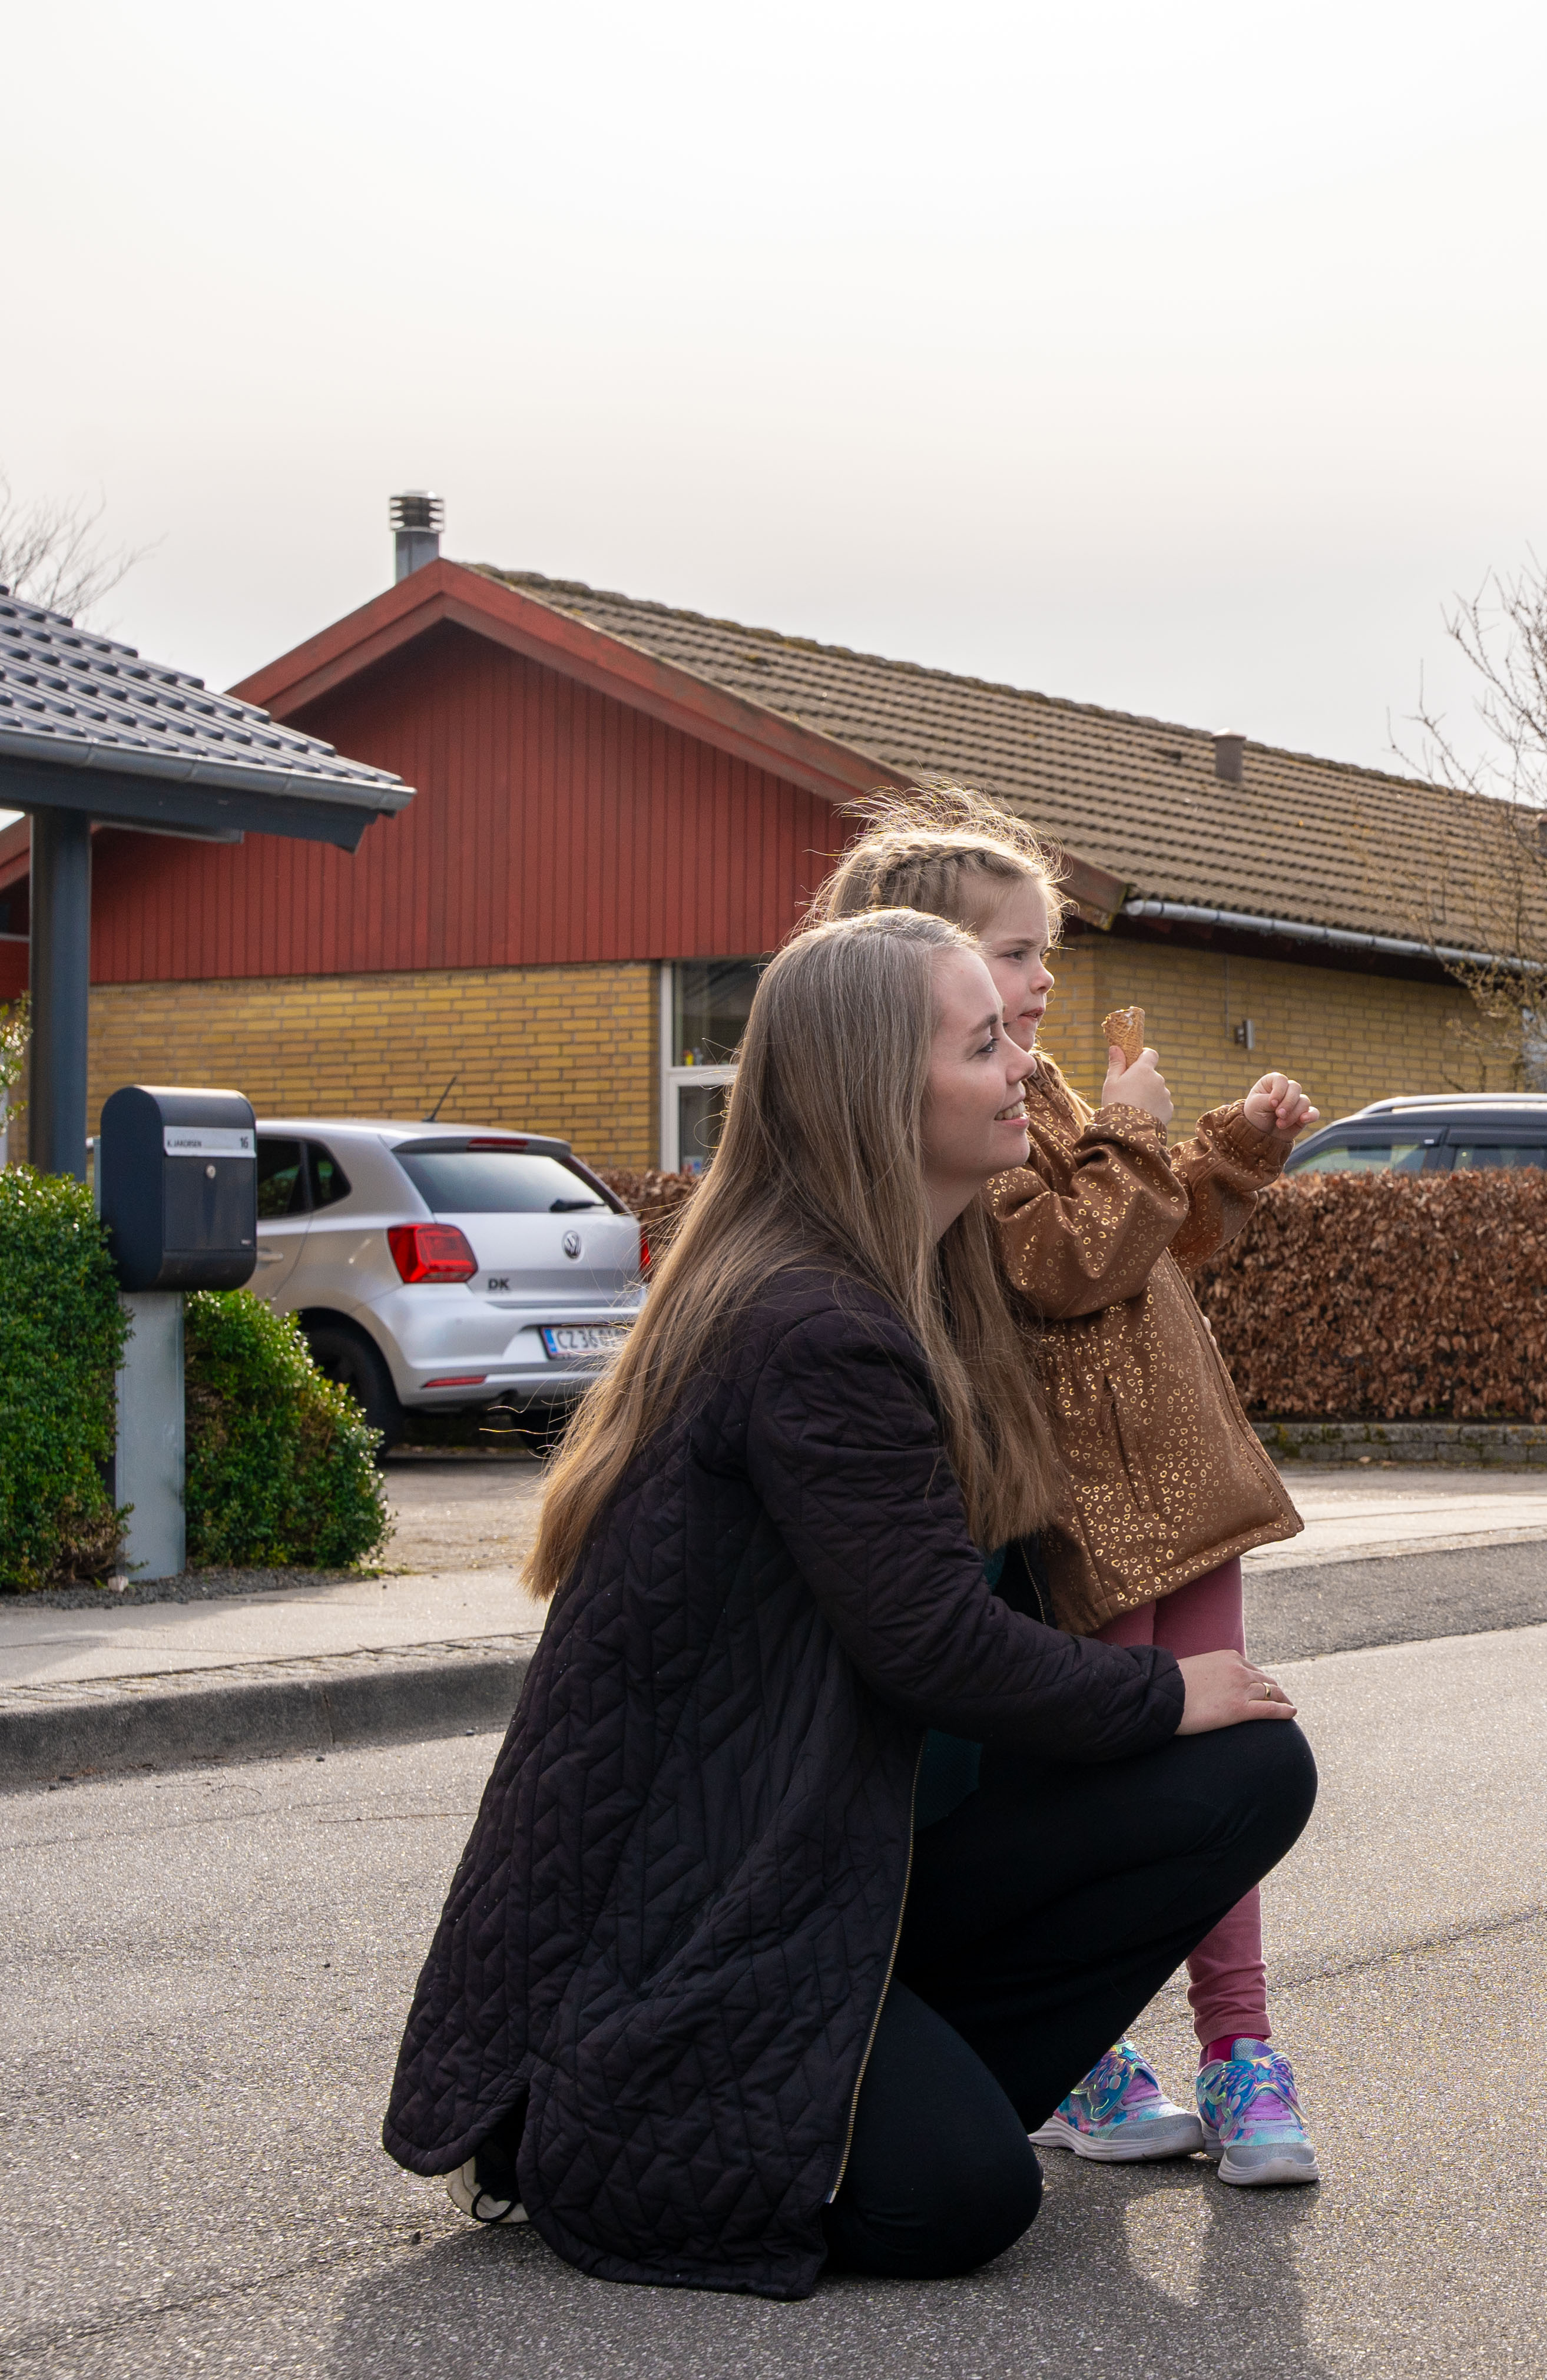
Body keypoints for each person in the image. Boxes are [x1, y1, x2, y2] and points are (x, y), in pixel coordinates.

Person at [383, 907, 1313, 2294]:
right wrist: (1169, 1687)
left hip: (831, 1869)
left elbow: (1114, 1276)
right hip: (687, 1931)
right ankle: (606, 2121)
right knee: (960, 2201)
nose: (1022, 1067)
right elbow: (932, 1646)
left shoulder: (918, 1284)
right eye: (984, 1042)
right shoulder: (813, 1323)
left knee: (1251, 1771)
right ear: (883, 1094)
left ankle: (878, 2063)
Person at [806, 789, 1324, 2184]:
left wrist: (1229, 1153)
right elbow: (1061, 1265)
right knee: (1096, 1789)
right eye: (1018, 955)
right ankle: (1082, 2049)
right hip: (1089, 1520)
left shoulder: (1043, 1093)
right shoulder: (966, 1130)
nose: (1044, 982)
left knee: (1226, 1762)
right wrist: (1143, 1142)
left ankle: (1243, 2049)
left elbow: (1150, 1248)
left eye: (1043, 954)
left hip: (1182, 1489)